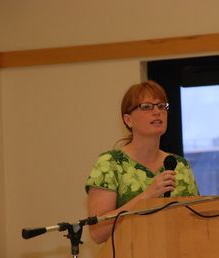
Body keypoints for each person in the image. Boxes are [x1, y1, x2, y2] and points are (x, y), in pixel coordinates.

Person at [85, 80, 199, 244]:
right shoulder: (110, 164)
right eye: (146, 107)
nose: (157, 112)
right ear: (128, 120)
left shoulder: (180, 166)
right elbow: (98, 232)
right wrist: (147, 196)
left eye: (161, 106)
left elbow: (196, 221)